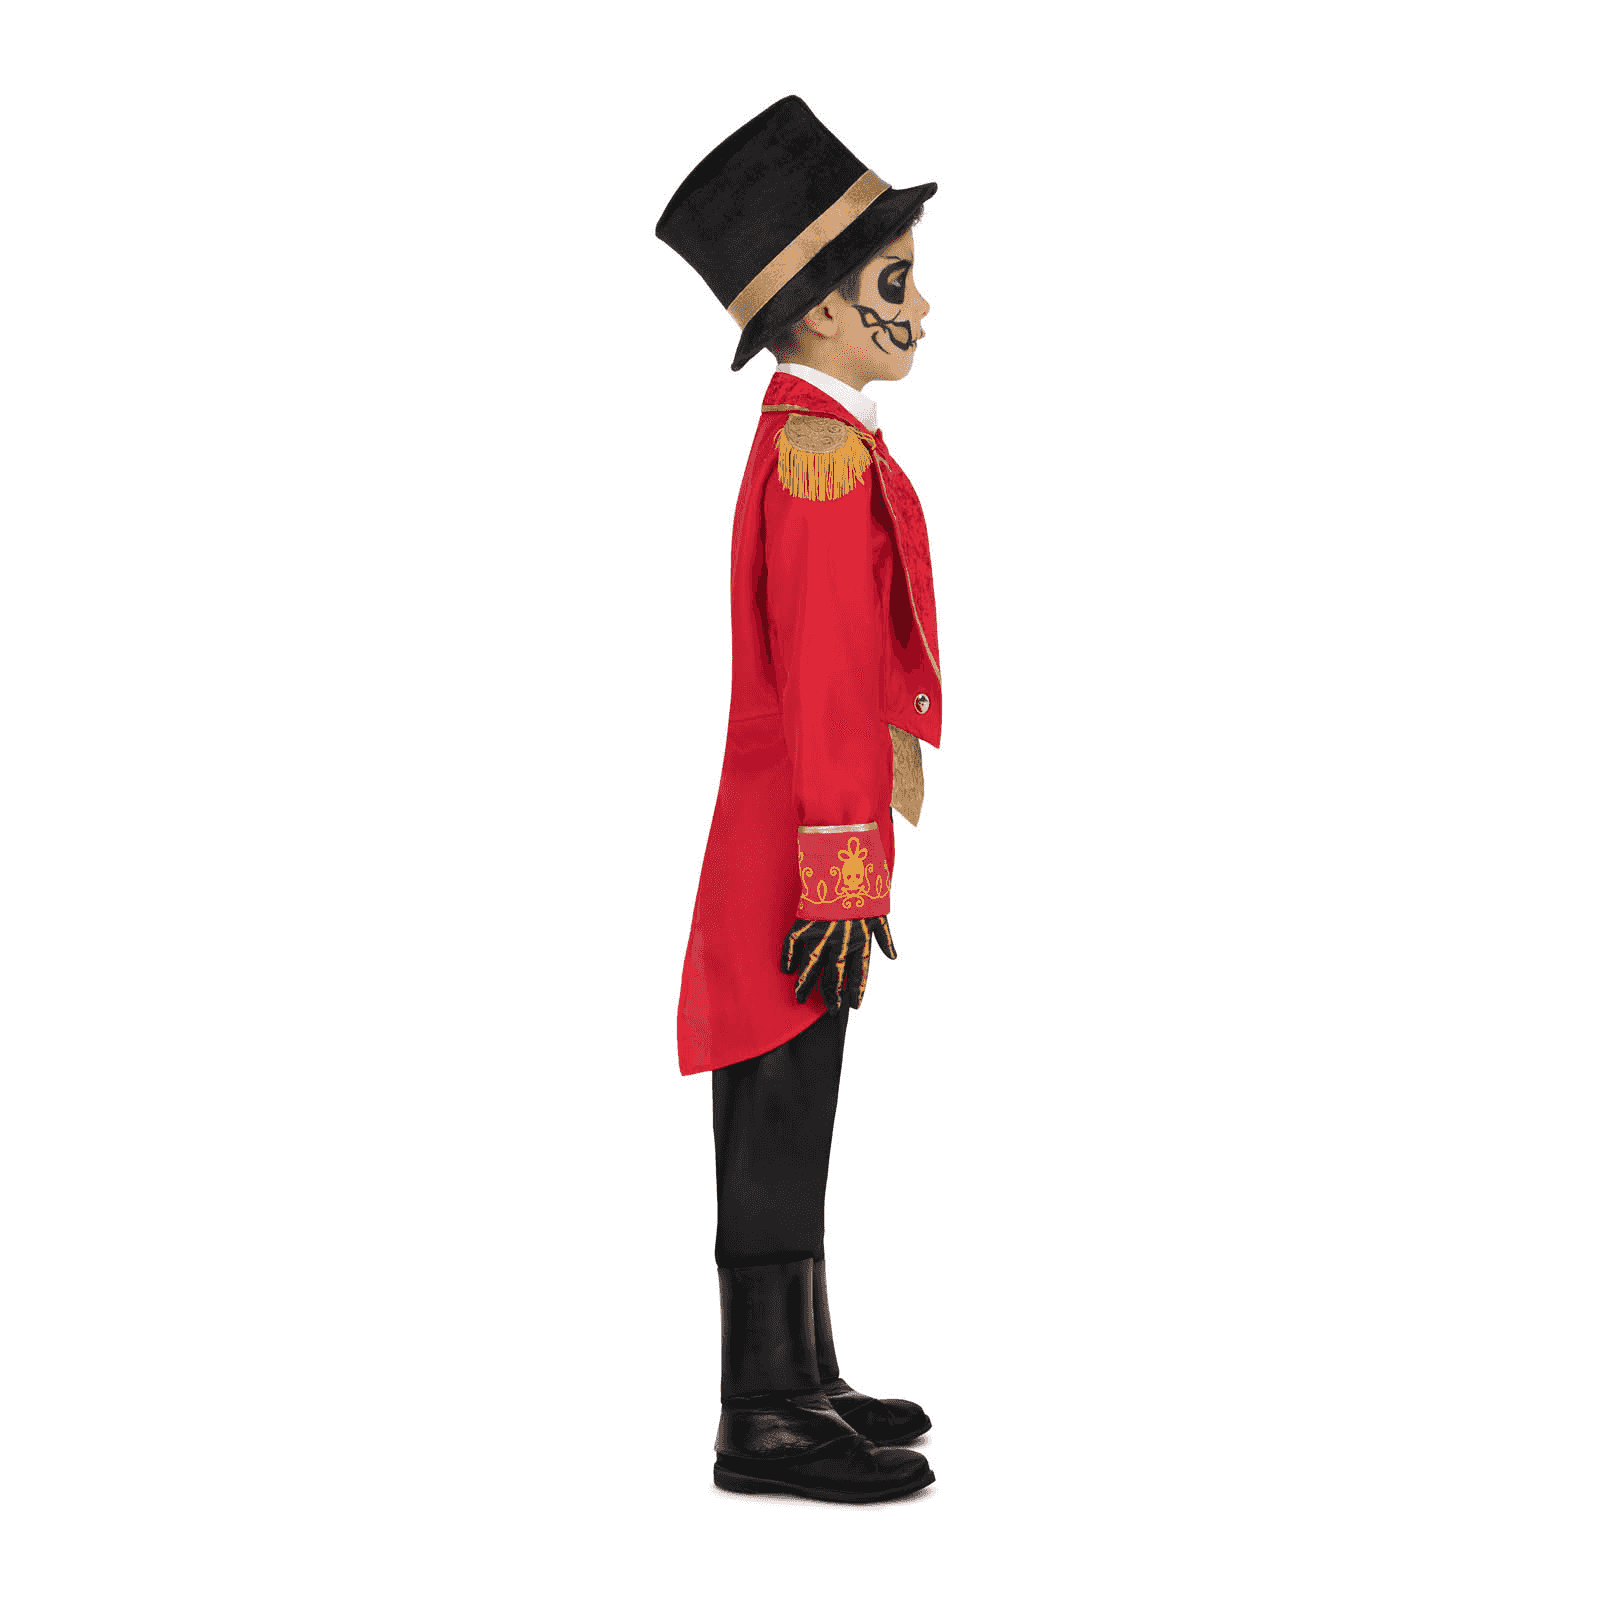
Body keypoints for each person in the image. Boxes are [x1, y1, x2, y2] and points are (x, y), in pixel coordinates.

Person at [656, 95, 943, 1504]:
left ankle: (802, 1371)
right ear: (823, 310)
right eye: (896, 281)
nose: (920, 308)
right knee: (776, 1106)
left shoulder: (822, 437)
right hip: (798, 850)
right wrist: (839, 872)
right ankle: (760, 1409)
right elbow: (827, 679)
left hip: (807, 838)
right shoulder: (818, 461)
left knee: (799, 1099)